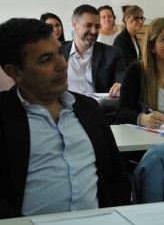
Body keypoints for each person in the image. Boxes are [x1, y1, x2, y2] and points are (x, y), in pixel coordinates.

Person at [0, 18, 131, 219]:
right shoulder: (5, 116)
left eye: (59, 53)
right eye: (45, 59)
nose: (62, 65)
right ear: (15, 72)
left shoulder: (88, 109)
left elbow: (116, 173)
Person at [62, 4, 126, 97]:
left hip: (100, 108)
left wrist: (121, 84)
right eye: (88, 25)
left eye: (97, 26)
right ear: (75, 24)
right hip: (67, 108)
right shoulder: (58, 51)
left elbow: (122, 78)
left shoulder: (112, 54)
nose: (94, 31)